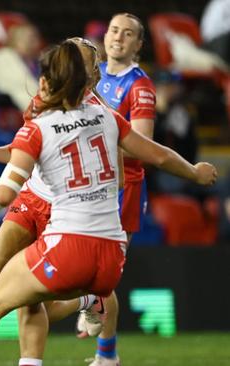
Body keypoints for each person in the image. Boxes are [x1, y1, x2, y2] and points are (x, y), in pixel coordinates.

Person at [0, 40, 217, 366]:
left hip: (64, 226)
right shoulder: (105, 118)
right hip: (80, 230)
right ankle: (83, 309)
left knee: (5, 301)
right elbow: (155, 155)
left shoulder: (47, 123)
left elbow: (4, 190)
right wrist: (194, 172)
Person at [0, 37, 115, 366]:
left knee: (33, 302)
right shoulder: (41, 101)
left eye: (80, 62)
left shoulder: (101, 117)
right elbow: (29, 151)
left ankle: (87, 302)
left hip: (62, 211)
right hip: (30, 197)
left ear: (93, 75)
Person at [77, 13, 157, 365]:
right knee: (87, 269)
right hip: (89, 183)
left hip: (123, 189)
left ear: (138, 45)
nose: (118, 38)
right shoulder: (93, 77)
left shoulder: (139, 87)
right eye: (113, 30)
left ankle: (106, 354)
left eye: (128, 34)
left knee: (103, 274)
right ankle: (92, 310)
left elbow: (143, 145)